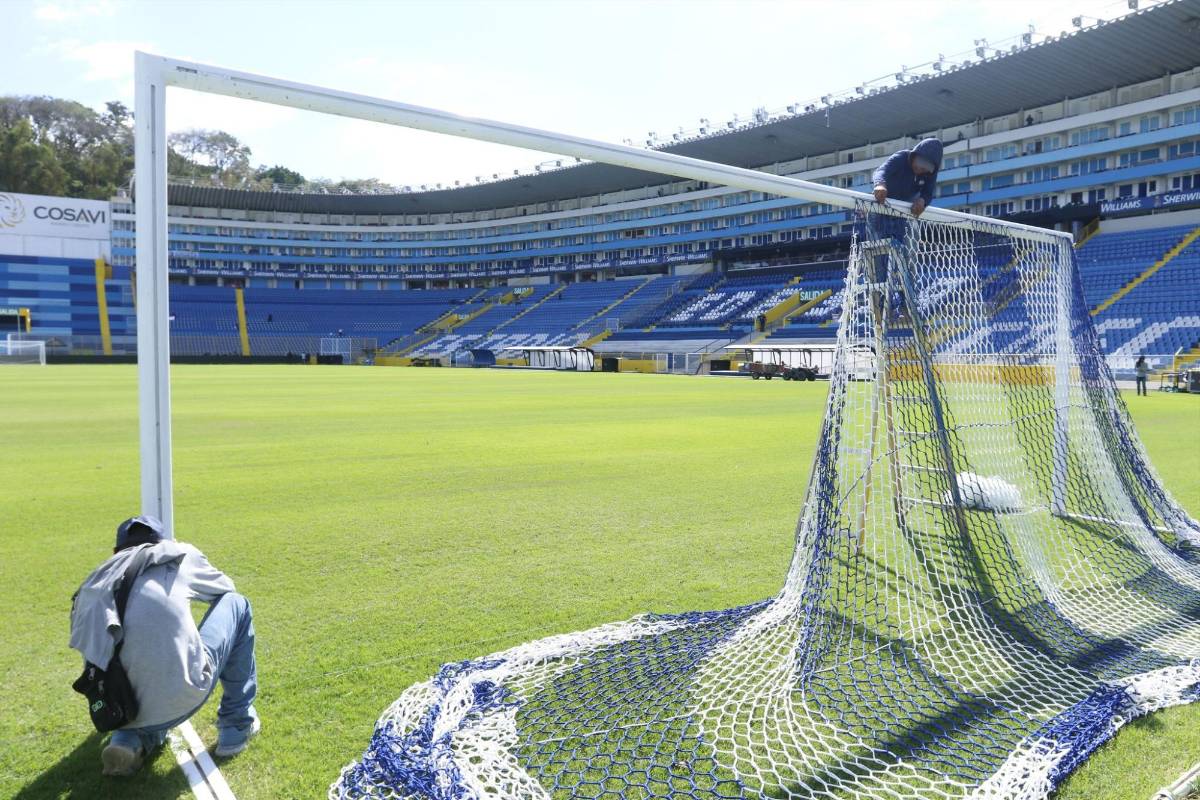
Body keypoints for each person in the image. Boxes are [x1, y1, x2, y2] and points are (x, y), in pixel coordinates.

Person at [69, 516, 259, 776]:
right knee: (238, 603)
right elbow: (225, 588)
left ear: (116, 551)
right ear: (161, 540)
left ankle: (127, 740)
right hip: (181, 697)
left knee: (130, 659)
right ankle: (235, 728)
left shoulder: (94, 581)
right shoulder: (177, 555)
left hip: (116, 706)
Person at [871, 138, 944, 218]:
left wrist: (923, 201)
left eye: (924, 168)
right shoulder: (901, 157)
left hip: (903, 211)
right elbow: (882, 171)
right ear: (914, 156)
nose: (919, 170)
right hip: (880, 205)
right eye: (918, 165)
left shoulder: (930, 173)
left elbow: (928, 192)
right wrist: (880, 184)